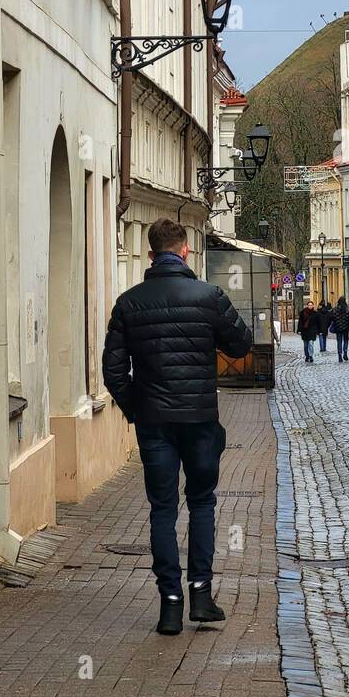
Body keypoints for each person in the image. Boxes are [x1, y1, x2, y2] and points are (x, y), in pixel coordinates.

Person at [102, 217, 252, 636]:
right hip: (200, 420)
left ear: (151, 254)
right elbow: (241, 343)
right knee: (202, 502)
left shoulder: (129, 302)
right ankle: (201, 594)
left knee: (162, 510)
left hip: (155, 424)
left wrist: (139, 408)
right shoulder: (208, 297)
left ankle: (170, 604)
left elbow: (112, 371)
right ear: (185, 251)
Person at [330, 295, 349, 362]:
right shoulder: (348, 309)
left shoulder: (335, 309)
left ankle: (340, 355)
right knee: (346, 340)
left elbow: (332, 317)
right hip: (346, 328)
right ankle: (345, 353)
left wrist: (336, 322)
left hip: (338, 328)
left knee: (339, 341)